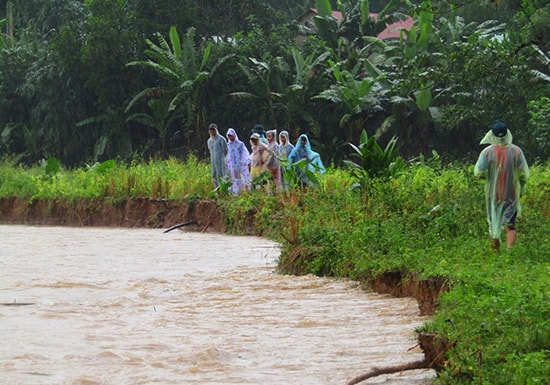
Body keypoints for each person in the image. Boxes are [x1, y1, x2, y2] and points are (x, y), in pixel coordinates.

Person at [474, 120, 530, 251]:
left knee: (494, 223)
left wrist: (489, 177)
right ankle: (510, 251)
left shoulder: (486, 152)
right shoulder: (516, 151)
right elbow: (524, 173)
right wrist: (520, 184)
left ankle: (496, 253)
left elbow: (479, 173)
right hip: (511, 194)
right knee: (510, 224)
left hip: (493, 195)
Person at [225, 128, 251, 195]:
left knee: (242, 178)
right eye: (229, 136)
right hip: (232, 165)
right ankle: (236, 192)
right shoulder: (228, 145)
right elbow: (228, 155)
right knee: (234, 179)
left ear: (234, 135)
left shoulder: (240, 144)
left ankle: (244, 192)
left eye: (231, 135)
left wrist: (245, 161)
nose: (230, 137)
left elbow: (245, 153)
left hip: (240, 165)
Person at [206, 123, 228, 188]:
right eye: (211, 130)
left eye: (213, 130)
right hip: (213, 160)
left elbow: (226, 150)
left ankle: (223, 189)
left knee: (221, 175)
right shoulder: (209, 141)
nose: (212, 131)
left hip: (221, 160)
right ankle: (217, 190)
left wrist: (223, 158)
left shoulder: (221, 139)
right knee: (214, 175)